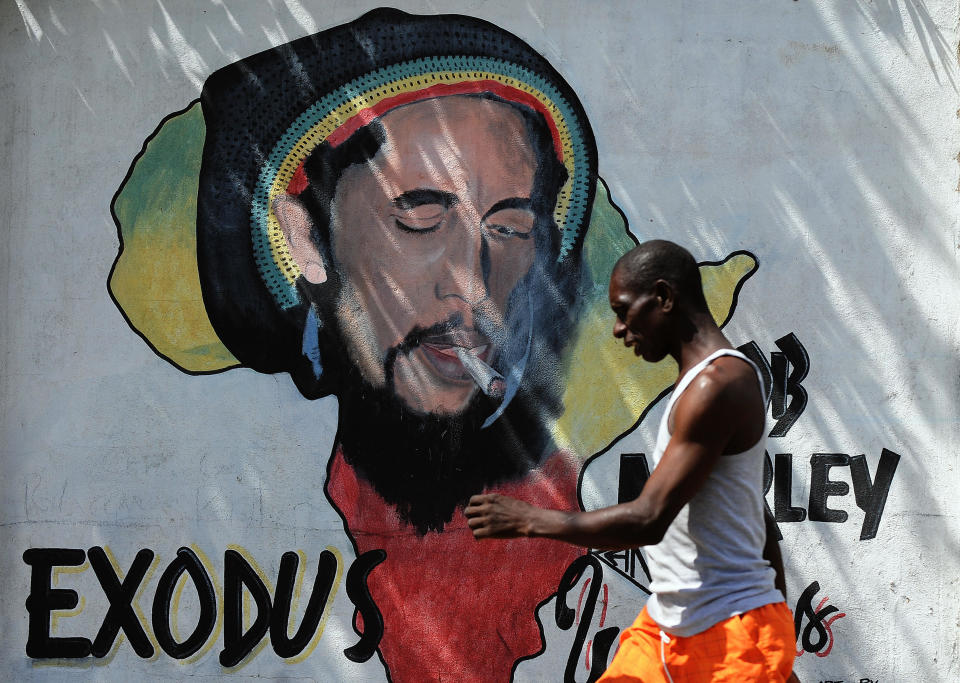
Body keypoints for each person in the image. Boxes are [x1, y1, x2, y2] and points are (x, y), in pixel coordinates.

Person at [193, 9, 599, 680]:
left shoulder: (585, 517)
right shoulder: (243, 500)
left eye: (509, 228)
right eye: (420, 215)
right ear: (307, 239)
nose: (472, 284)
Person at [466, 239, 797, 681]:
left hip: (730, 634)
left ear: (663, 298)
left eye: (624, 311)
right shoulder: (701, 384)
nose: (619, 330)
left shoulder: (718, 385)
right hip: (669, 627)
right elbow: (753, 512)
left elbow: (649, 519)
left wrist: (530, 520)